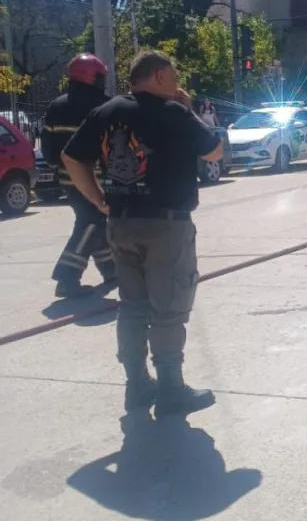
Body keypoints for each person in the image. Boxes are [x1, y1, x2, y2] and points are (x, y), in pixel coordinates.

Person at [62, 50, 225, 417]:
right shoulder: (174, 112)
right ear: (159, 75)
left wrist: (98, 200)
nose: (178, 82)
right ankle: (171, 390)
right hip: (166, 226)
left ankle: (137, 385)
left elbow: (72, 157)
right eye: (174, 75)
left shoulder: (108, 111)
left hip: (121, 224)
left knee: (133, 306)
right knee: (167, 308)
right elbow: (214, 151)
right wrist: (188, 109)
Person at [41, 53, 114, 298]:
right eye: (100, 77)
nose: (103, 81)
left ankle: (111, 269)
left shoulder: (56, 106)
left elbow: (49, 152)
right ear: (92, 77)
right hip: (96, 179)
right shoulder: (103, 106)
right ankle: (67, 277)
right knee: (92, 221)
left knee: (92, 220)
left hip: (67, 179)